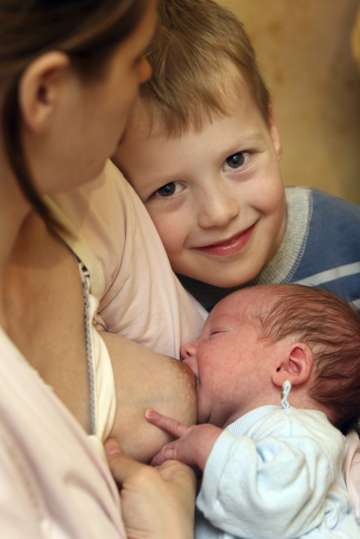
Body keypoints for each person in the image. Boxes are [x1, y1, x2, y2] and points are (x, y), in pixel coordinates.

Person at [0, 1, 206, 537]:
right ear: (46, 92)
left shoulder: (83, 191)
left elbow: (216, 359)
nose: (147, 75)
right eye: (135, 57)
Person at [113, 0, 360, 313]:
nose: (219, 213)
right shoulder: (143, 294)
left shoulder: (349, 243)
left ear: (272, 130)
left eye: (236, 160)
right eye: (168, 189)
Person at [145, 284, 360, 538]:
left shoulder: (301, 430)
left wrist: (205, 446)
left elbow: (274, 502)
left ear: (289, 366)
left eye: (214, 334)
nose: (186, 348)